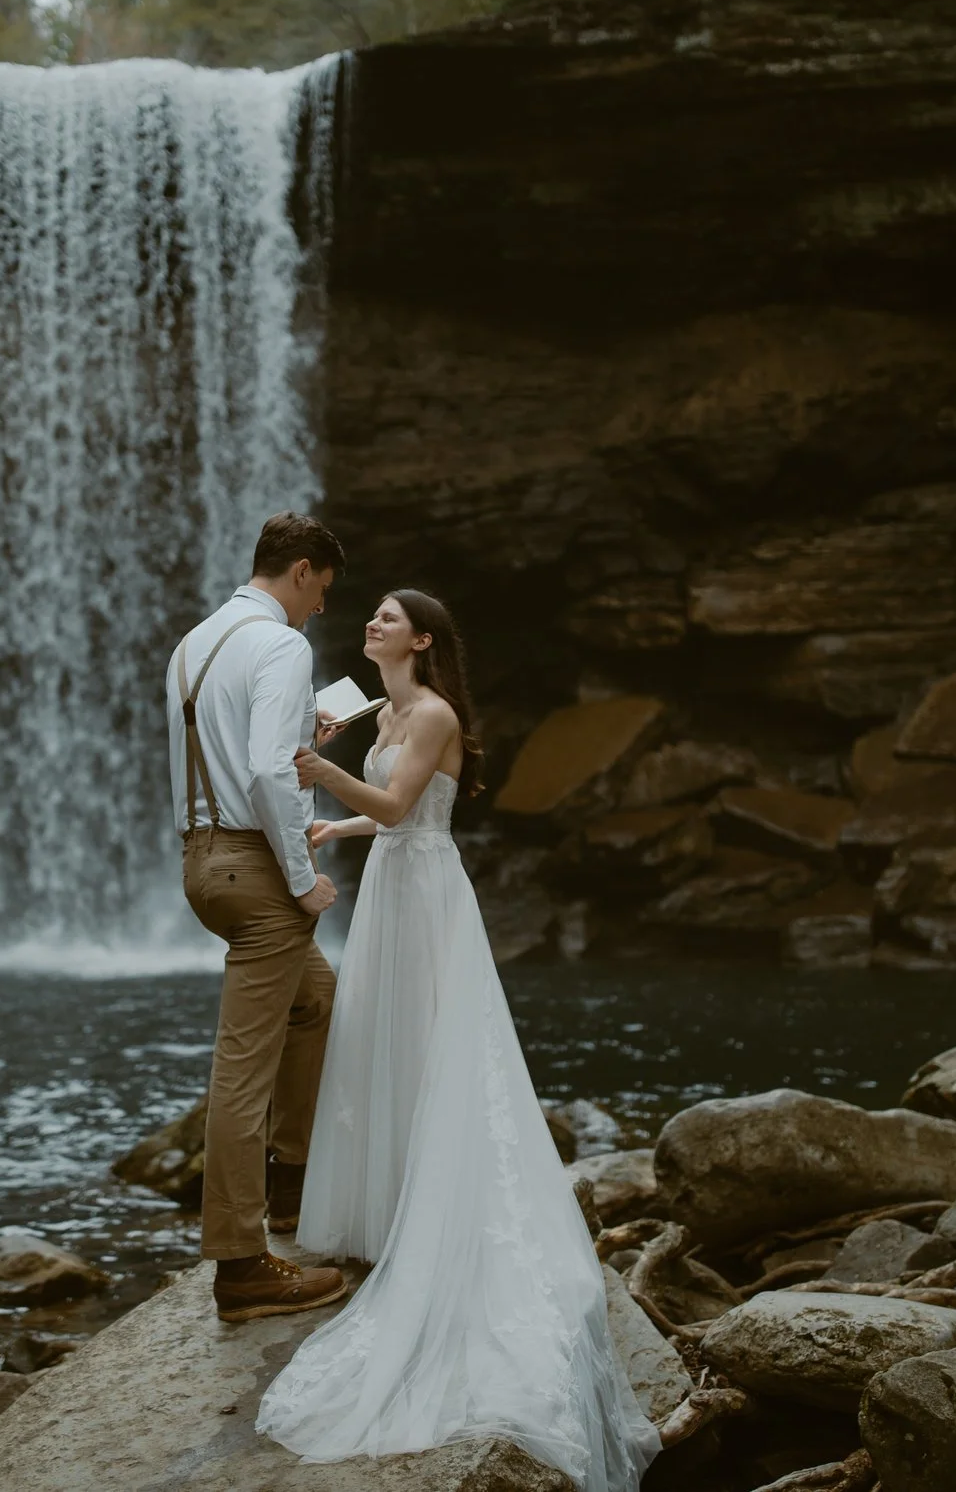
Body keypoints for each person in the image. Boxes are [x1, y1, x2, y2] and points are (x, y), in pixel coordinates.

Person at [256, 589, 661, 1492]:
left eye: (387, 618)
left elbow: (406, 810)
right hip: (394, 891)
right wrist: (338, 823)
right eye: (367, 615)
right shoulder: (383, 709)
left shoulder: (430, 710)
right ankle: (393, 1207)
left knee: (442, 1047)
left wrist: (327, 783)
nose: (371, 624)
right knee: (383, 1046)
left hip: (430, 895)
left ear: (423, 639)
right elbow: (392, 809)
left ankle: (443, 1214)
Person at [167, 511, 350, 1323]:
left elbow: (237, 751)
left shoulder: (196, 641)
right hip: (258, 868)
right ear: (302, 570)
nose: (320, 610)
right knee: (242, 1069)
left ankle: (290, 1187)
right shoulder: (281, 644)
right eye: (323, 592)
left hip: (204, 861)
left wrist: (307, 730)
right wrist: (305, 877)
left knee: (316, 999)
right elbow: (273, 773)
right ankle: (241, 1266)